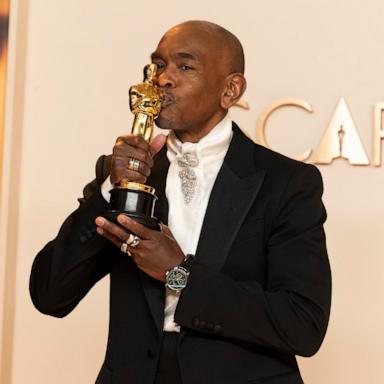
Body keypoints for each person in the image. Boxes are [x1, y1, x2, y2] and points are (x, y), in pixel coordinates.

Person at [30, 20, 331, 384]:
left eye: (184, 67)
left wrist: (179, 275)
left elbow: (302, 325)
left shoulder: (285, 184)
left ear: (230, 89)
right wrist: (112, 187)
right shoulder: (123, 173)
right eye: (158, 65)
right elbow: (50, 295)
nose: (163, 79)